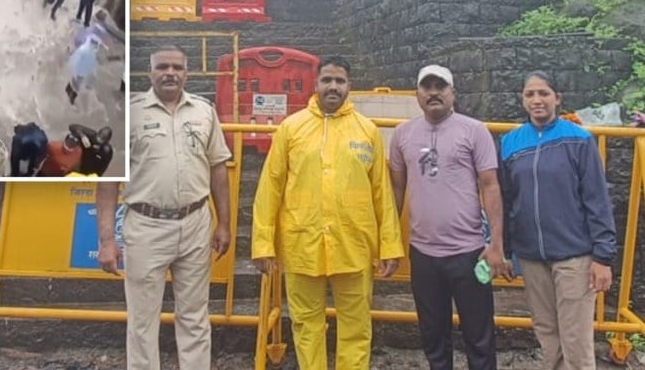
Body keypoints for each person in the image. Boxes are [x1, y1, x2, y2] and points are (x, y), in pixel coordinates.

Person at [252, 55, 403, 370]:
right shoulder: (290, 129)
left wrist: (389, 245)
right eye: (327, 80)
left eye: (340, 81)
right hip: (302, 246)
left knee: (356, 327)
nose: (333, 87)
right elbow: (270, 189)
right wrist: (263, 244)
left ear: (349, 86)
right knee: (306, 325)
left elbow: (382, 194)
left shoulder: (367, 131)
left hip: (354, 246)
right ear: (316, 83)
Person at [97, 45, 231, 370]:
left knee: (195, 318)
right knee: (142, 321)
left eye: (177, 67)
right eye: (163, 67)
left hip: (196, 223)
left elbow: (218, 168)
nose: (170, 73)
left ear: (187, 72)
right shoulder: (127, 113)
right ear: (150, 72)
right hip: (146, 226)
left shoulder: (204, 111)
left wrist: (224, 223)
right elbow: (107, 182)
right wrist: (106, 241)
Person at [389, 65, 504, 370]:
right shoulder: (402, 134)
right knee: (433, 335)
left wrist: (496, 245)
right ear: (417, 94)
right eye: (426, 87)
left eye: (441, 86)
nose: (434, 92)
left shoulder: (474, 130)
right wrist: (387, 243)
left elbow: (490, 186)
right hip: (424, 254)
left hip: (470, 252)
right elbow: (397, 191)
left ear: (453, 93)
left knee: (479, 335)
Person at [499, 71, 617, 370]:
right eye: (530, 95)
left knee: (575, 339)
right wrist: (506, 250)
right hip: (531, 257)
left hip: (574, 256)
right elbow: (506, 200)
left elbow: (597, 199)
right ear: (523, 100)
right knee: (547, 334)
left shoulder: (578, 139)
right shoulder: (511, 143)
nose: (537, 100)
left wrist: (603, 256)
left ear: (557, 98)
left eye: (543, 93)